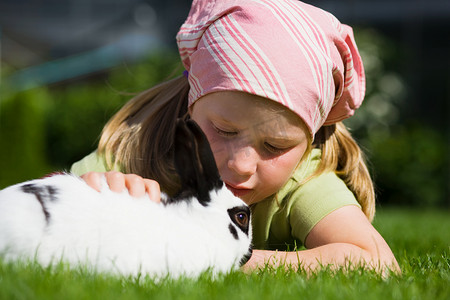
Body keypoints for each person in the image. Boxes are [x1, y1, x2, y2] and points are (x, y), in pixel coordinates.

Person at [71, 0, 400, 273]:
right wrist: (94, 192)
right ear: (191, 105)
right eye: (223, 130)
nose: (241, 165)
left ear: (308, 141)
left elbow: (377, 262)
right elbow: (39, 200)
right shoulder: (146, 149)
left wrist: (225, 260)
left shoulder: (302, 179)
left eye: (275, 146)